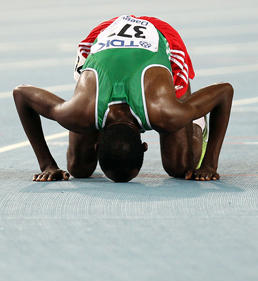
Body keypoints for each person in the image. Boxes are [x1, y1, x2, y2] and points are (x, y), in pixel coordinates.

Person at [13, 15, 234, 182]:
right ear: (145, 146)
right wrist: (47, 165)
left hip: (161, 36)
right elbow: (21, 94)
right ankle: (190, 116)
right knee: (78, 168)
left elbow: (224, 91)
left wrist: (209, 164)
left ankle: (196, 121)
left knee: (179, 166)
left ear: (98, 146)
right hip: (107, 33)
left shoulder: (165, 111)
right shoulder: (77, 113)